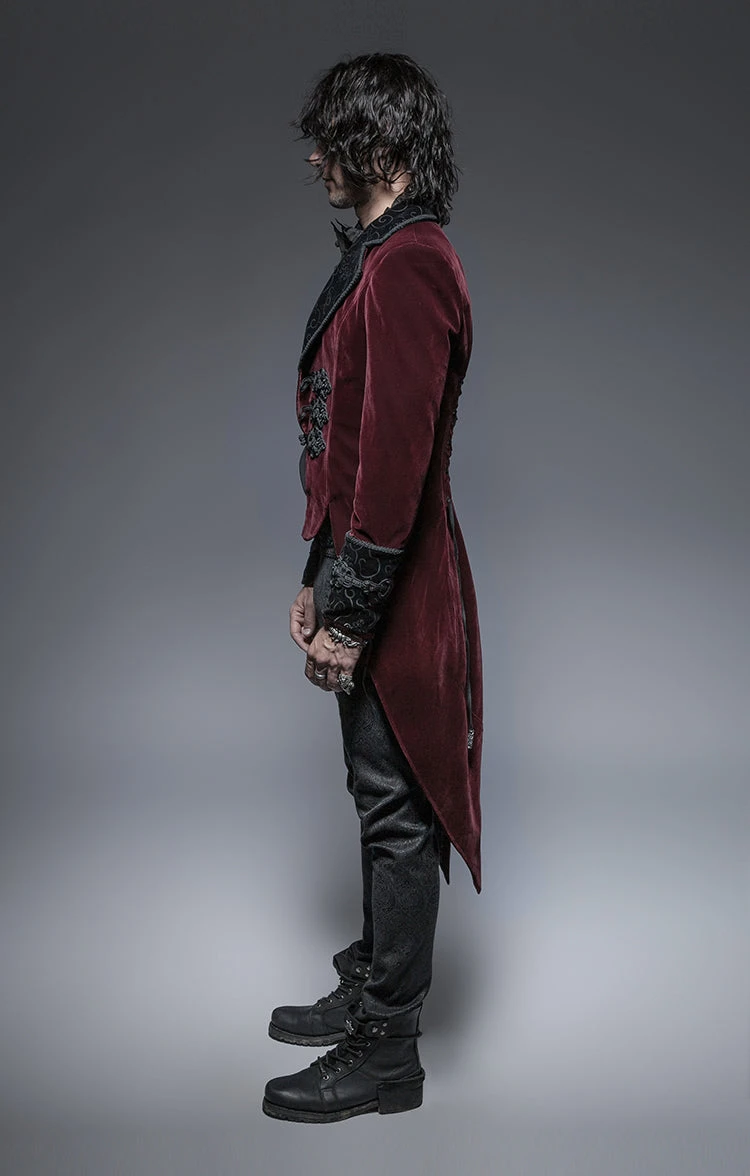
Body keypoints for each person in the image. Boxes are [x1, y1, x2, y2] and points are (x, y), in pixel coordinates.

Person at [262, 52, 483, 1124]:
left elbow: (392, 469)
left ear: (381, 143)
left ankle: (389, 1048)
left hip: (402, 586)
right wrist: (317, 573)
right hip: (370, 569)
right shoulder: (384, 257)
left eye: (331, 137)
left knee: (396, 810)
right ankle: (376, 983)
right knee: (378, 794)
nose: (315, 156)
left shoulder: (413, 265)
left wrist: (349, 615)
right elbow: (344, 446)